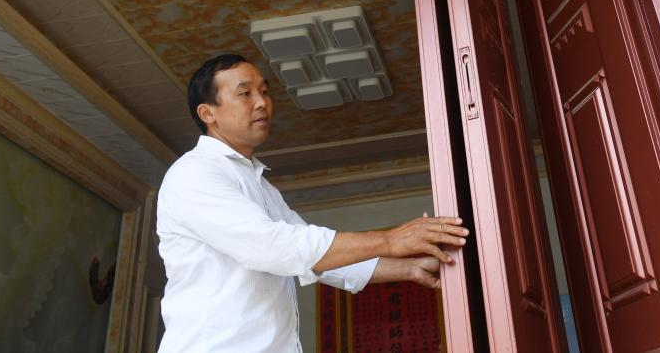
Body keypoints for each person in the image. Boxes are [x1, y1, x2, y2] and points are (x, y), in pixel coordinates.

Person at [156, 53, 468, 352]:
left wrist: (410, 268)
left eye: (264, 91)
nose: (262, 102)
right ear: (208, 113)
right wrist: (392, 240)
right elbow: (275, 247)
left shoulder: (262, 186)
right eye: (245, 93)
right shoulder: (194, 173)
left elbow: (315, 257)